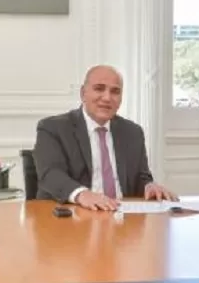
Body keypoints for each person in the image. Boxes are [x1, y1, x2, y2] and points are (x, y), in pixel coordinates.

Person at [33, 65, 176, 210]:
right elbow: (50, 174)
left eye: (115, 91)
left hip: (121, 217)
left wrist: (149, 186)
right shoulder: (53, 128)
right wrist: (82, 194)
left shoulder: (133, 132)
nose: (107, 98)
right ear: (83, 93)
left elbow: (141, 177)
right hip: (74, 216)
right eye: (99, 89)